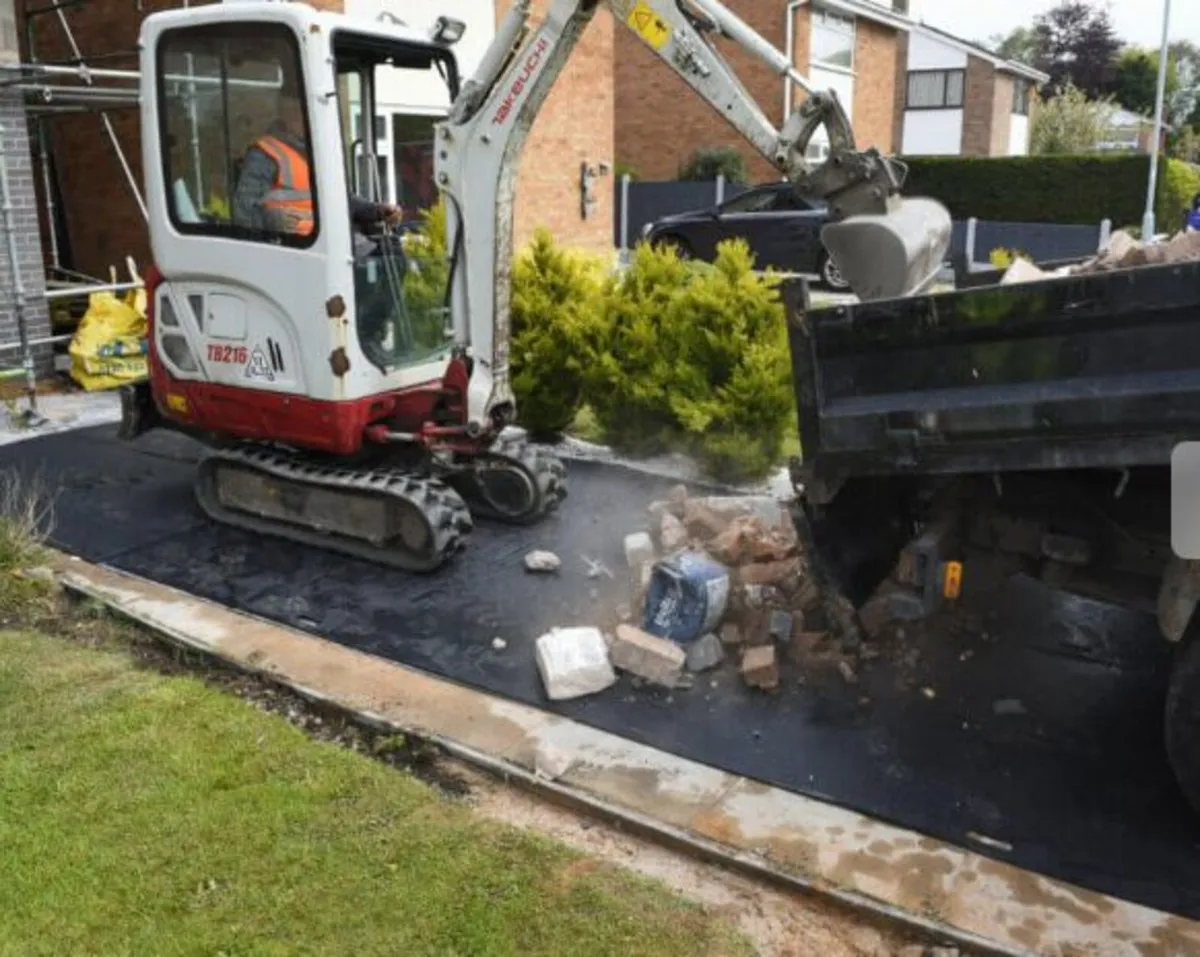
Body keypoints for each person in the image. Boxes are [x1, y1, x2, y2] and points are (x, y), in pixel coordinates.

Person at [232, 91, 402, 237]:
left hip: (332, 244)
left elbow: (341, 201)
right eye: (296, 111)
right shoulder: (265, 154)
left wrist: (377, 211)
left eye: (305, 111)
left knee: (390, 254)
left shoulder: (319, 151)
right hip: (291, 248)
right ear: (284, 115)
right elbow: (242, 211)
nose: (303, 117)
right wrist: (270, 220)